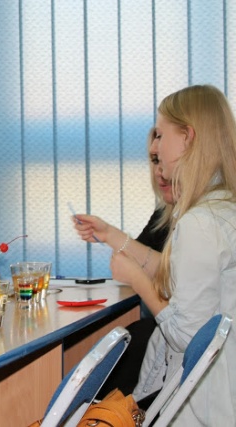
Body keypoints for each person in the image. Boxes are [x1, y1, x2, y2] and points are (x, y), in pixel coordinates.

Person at [109, 84, 236, 424]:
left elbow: (187, 337)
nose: (155, 147)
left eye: (161, 135)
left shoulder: (200, 223)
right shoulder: (224, 210)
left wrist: (139, 281)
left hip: (204, 408)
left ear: (187, 138)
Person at [73, 127, 175, 396]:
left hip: (169, 344)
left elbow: (168, 277)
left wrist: (136, 274)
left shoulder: (201, 221)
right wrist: (108, 234)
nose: (160, 171)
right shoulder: (165, 212)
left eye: (164, 159)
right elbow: (144, 259)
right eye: (154, 160)